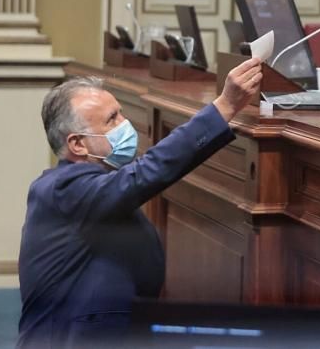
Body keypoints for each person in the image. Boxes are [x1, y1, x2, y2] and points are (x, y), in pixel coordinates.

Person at [17, 57, 262, 348]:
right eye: (112, 120)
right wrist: (223, 108)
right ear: (77, 144)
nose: (126, 125)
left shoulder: (93, 181)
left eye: (120, 113)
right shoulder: (62, 190)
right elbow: (146, 173)